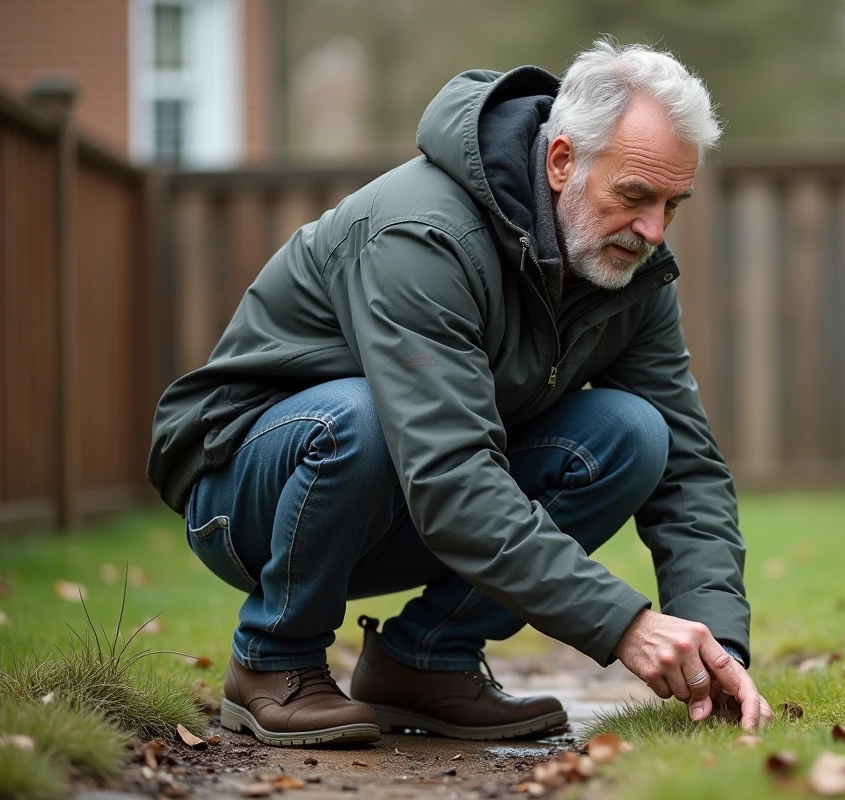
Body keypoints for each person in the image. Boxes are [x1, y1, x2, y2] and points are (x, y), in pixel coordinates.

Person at [146, 39, 771, 747]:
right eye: (634, 196)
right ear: (562, 162)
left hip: (401, 491)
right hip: (245, 492)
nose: (653, 230)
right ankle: (273, 660)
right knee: (362, 418)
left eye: (672, 204)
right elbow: (449, 475)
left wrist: (717, 650)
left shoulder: (629, 269)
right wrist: (624, 623)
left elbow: (688, 470)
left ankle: (427, 662)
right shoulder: (422, 235)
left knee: (636, 433)